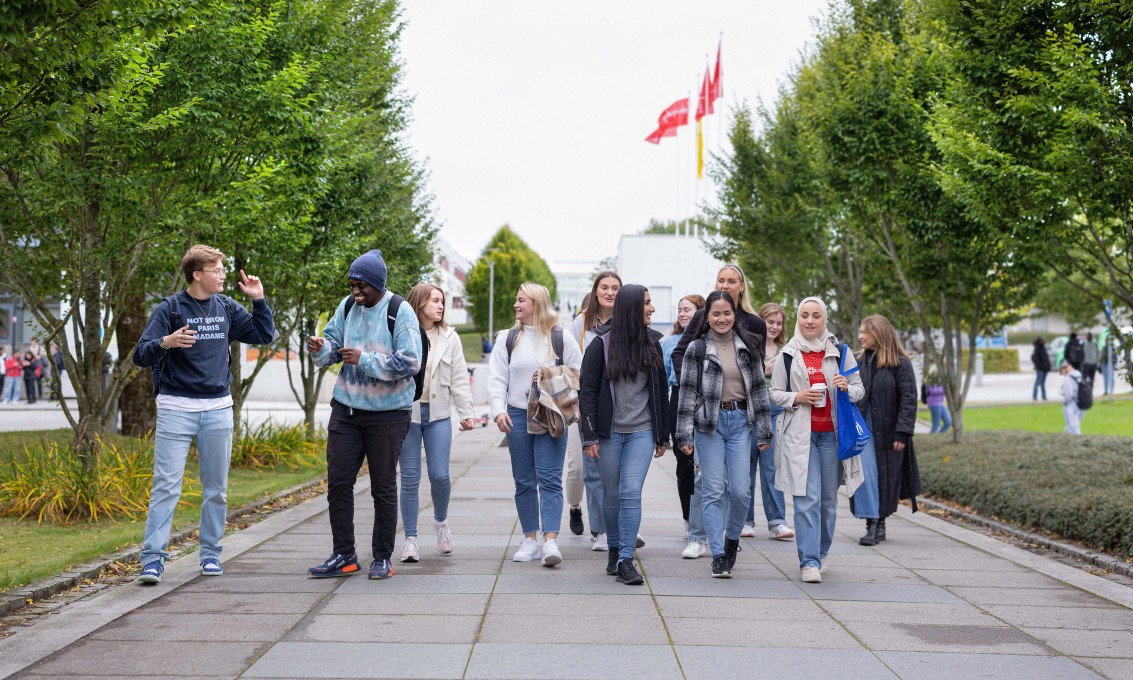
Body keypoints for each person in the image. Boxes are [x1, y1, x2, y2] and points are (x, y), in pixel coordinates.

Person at [132, 245, 275, 583]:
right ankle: (152, 560)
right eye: (217, 270)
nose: (224, 275)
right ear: (197, 274)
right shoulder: (170, 308)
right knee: (167, 487)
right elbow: (140, 354)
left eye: (223, 269)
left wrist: (258, 300)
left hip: (217, 409)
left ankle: (210, 554)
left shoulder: (226, 306)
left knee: (217, 489)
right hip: (175, 407)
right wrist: (166, 342)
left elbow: (263, 334)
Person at [305, 250, 422, 581]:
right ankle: (344, 554)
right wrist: (320, 349)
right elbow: (332, 347)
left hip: (388, 415)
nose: (355, 292)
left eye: (361, 286)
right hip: (347, 410)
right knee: (338, 483)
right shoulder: (346, 307)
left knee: (382, 486)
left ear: (377, 284)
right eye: (352, 285)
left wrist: (365, 359)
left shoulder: (400, 312)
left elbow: (411, 362)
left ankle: (382, 557)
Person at [676, 291, 773, 578]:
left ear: (734, 315)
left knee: (742, 491)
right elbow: (687, 393)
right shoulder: (696, 349)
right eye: (715, 314)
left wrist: (765, 431)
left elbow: (759, 390)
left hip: (741, 422)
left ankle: (732, 540)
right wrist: (684, 435)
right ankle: (718, 553)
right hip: (710, 425)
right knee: (713, 490)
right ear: (706, 317)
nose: (721, 318)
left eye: (726, 313)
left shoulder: (749, 346)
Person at [769, 297, 864, 584]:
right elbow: (774, 393)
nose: (809, 321)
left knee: (827, 500)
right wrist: (797, 397)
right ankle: (808, 561)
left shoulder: (841, 352)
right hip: (801, 436)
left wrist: (847, 387)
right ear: (797, 319)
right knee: (805, 497)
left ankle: (822, 553)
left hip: (832, 437)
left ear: (824, 319)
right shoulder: (787, 354)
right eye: (804, 315)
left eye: (816, 316)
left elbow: (860, 389)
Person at [579, 284, 669, 585]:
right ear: (631, 308)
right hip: (608, 434)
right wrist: (589, 436)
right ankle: (614, 548)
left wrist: (661, 435)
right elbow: (587, 393)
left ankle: (626, 559)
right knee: (612, 494)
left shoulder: (653, 343)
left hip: (641, 432)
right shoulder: (600, 346)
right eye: (647, 303)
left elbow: (660, 391)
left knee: (631, 492)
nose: (652, 308)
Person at [489, 282, 582, 567]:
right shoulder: (507, 338)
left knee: (550, 478)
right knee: (524, 480)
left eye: (521, 301)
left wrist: (548, 374)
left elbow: (578, 373)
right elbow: (496, 378)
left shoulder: (559, 337)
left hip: (550, 414)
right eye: (517, 300)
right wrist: (497, 411)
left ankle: (550, 540)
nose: (516, 305)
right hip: (516, 415)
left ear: (537, 304)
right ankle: (530, 539)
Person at [397, 283, 475, 563]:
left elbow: (459, 379)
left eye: (442, 301)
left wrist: (467, 413)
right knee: (409, 478)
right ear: (419, 304)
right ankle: (410, 539)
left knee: (440, 475)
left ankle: (441, 522)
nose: (441, 306)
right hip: (408, 414)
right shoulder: (402, 332)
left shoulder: (450, 337)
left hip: (439, 414)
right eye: (435, 301)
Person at [855, 315, 920, 547]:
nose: (860, 336)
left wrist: (903, 432)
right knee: (867, 476)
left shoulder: (900, 364)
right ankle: (872, 524)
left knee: (885, 479)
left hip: (890, 432)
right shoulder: (857, 361)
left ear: (880, 335)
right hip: (863, 432)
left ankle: (879, 523)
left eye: (865, 332)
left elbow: (909, 399)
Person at [567, 272, 621, 550]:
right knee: (588, 468)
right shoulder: (582, 322)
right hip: (586, 402)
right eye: (605, 287)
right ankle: (599, 530)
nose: (610, 292)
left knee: (619, 472)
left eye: (615, 288)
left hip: (620, 404)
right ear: (596, 291)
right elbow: (567, 360)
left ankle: (620, 527)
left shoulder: (627, 321)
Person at [741, 303, 795, 542]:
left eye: (778, 322)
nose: (774, 327)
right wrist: (764, 368)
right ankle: (745, 520)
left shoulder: (788, 350)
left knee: (772, 468)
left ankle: (777, 522)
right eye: (770, 321)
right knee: (746, 468)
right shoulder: (748, 344)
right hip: (749, 412)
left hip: (775, 413)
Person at [660, 294, 704, 556]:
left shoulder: (708, 340)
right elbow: (665, 382)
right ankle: (689, 519)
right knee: (685, 465)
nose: (682, 314)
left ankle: (708, 521)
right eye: (679, 310)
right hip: (678, 399)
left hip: (706, 401)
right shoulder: (669, 343)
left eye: (687, 309)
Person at [923, 366, 951, 433]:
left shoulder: (941, 379)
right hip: (934, 403)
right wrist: (945, 389)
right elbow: (933, 391)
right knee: (935, 426)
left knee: (948, 422)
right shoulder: (931, 379)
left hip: (941, 403)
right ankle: (932, 438)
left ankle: (940, 436)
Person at [1060, 360, 1084, 435]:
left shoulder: (1068, 379)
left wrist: (1064, 402)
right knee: (1073, 425)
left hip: (1072, 404)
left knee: (1073, 426)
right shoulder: (1079, 374)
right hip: (1081, 403)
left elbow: (1069, 394)